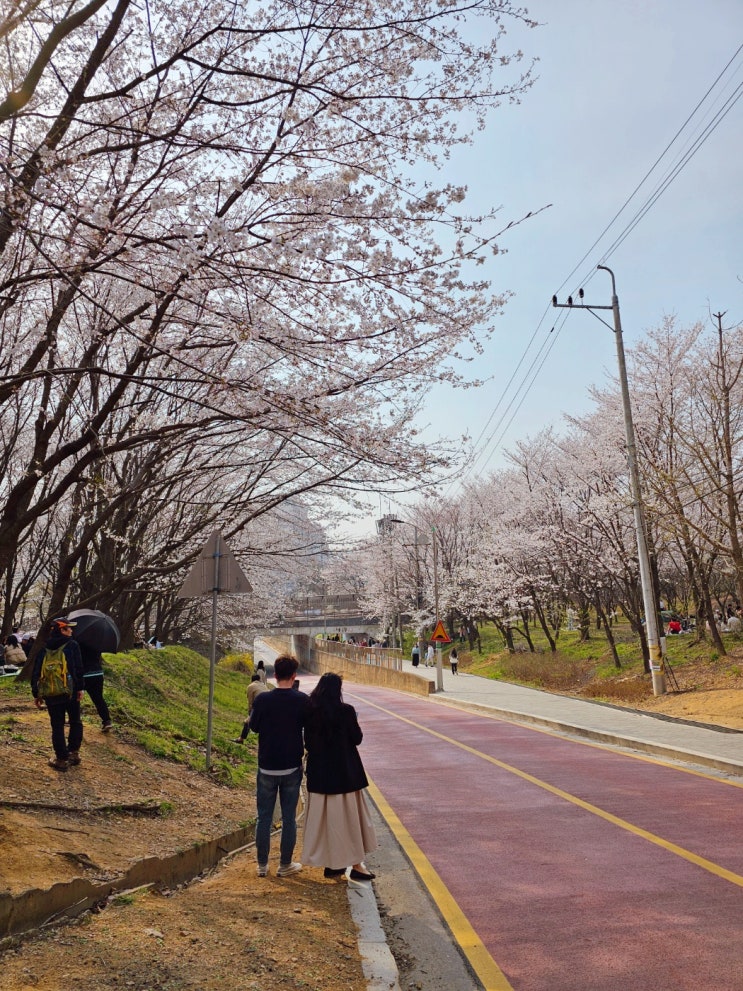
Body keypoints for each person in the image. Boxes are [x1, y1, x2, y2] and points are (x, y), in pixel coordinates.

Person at [301, 672, 377, 882]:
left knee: (326, 821)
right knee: (350, 821)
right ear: (338, 690)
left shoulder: (310, 711)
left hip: (321, 776)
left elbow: (309, 743)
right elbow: (357, 738)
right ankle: (356, 865)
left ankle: (333, 864)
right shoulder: (346, 711)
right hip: (346, 773)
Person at [248, 654, 308, 877]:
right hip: (291, 766)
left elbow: (254, 727)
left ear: (274, 675)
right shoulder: (302, 700)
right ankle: (285, 864)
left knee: (263, 816)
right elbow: (308, 728)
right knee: (289, 818)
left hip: (266, 765)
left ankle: (262, 865)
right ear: (294, 676)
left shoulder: (263, 700)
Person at [31, 618, 84, 771]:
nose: (71, 631)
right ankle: (73, 753)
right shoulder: (72, 645)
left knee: (57, 725)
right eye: (68, 628)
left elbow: (36, 673)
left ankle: (61, 759)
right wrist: (80, 688)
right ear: (61, 630)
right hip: (70, 691)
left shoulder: (44, 648)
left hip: (51, 693)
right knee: (75, 721)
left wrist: (37, 694)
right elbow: (79, 669)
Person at [79, 643, 113, 731]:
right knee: (98, 699)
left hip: (84, 674)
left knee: (76, 697)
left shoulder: (78, 643)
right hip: (97, 673)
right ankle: (107, 721)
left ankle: (75, 718)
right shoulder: (96, 643)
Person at [233, 674, 268, 743]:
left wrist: (250, 712)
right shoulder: (264, 686)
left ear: (251, 680)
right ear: (259, 679)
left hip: (259, 705)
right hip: (269, 707)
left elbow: (250, 701)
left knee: (248, 721)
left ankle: (241, 739)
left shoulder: (251, 686)